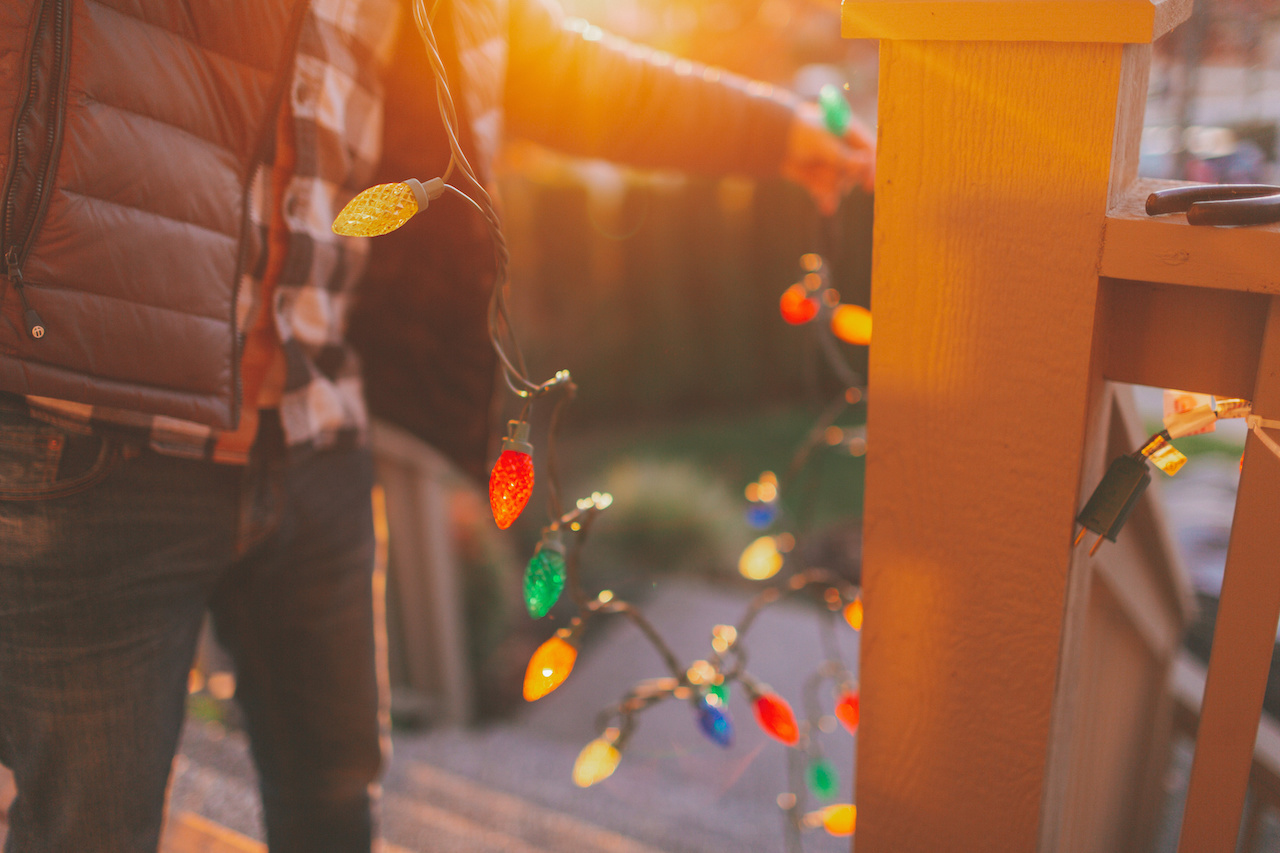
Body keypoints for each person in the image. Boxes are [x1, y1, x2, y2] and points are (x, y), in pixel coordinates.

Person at [0, 0, 874, 850]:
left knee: (339, 798)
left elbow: (560, 69)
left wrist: (776, 130)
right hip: (92, 432)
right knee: (88, 828)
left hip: (316, 436)